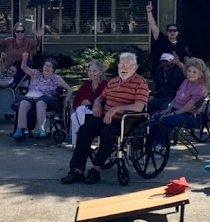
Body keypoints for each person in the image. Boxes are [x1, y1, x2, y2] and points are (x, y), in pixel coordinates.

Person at [61, 52, 150, 185]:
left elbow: (138, 106)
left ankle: (96, 168)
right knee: (84, 130)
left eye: (127, 65)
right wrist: (97, 103)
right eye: (121, 65)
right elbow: (101, 97)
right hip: (105, 115)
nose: (123, 68)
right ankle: (77, 169)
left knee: (107, 134)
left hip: (126, 119)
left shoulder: (140, 83)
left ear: (135, 67)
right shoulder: (113, 81)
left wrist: (116, 109)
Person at [11, 52, 73, 140]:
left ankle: (42, 129)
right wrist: (24, 59)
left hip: (48, 99)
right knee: (23, 102)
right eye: (45, 65)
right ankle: (20, 129)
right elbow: (24, 68)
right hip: (31, 97)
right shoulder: (35, 74)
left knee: (40, 102)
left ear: (53, 69)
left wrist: (66, 100)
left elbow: (69, 89)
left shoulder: (56, 78)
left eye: (50, 66)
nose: (47, 67)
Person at [153, 57, 210, 140]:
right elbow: (177, 97)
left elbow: (189, 107)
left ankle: (160, 144)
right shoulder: (185, 82)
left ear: (200, 74)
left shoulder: (201, 88)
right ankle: (151, 143)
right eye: (189, 71)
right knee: (156, 118)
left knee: (166, 120)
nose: (191, 74)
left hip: (190, 115)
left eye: (194, 72)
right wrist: (169, 108)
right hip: (176, 109)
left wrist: (173, 114)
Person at [68, 60, 108, 150]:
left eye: (94, 71)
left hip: (99, 114)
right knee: (74, 115)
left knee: (80, 110)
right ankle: (77, 144)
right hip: (84, 114)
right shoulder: (86, 85)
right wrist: (81, 103)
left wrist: (92, 103)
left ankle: (83, 139)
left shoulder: (106, 84)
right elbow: (75, 103)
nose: (91, 73)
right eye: (90, 71)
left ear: (100, 72)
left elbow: (108, 100)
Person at [146, 2, 191, 73]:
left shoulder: (183, 46)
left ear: (177, 32)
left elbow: (187, 63)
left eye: (174, 30)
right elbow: (153, 26)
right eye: (170, 30)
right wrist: (149, 12)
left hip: (177, 73)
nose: (172, 32)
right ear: (167, 32)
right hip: (161, 72)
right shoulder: (161, 39)